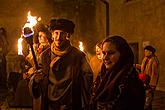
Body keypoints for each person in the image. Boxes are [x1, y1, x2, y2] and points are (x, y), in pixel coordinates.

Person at [29, 18, 93, 110]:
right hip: (50, 105)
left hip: (70, 106)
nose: (58, 37)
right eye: (56, 33)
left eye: (62, 33)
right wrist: (36, 79)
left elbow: (88, 77)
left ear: (68, 35)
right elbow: (37, 77)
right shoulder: (45, 56)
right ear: (52, 34)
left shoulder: (78, 56)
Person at [90, 35, 145, 110]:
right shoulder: (102, 76)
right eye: (104, 53)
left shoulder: (132, 83)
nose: (105, 57)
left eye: (111, 53)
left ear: (123, 54)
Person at [141, 45, 159, 110]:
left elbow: (155, 73)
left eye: (146, 52)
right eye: (144, 52)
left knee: (148, 100)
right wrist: (136, 66)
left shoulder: (154, 61)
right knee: (146, 98)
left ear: (151, 52)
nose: (145, 53)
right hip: (144, 81)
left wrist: (152, 85)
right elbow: (144, 69)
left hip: (150, 83)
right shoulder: (145, 59)